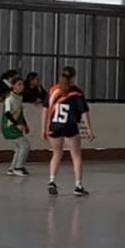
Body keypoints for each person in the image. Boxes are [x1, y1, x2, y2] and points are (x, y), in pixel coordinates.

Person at [46, 66, 95, 196]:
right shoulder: (76, 93)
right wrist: (89, 129)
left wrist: (44, 128)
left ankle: (51, 180)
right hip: (70, 126)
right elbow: (84, 112)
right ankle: (78, 185)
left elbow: (46, 109)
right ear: (73, 77)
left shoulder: (53, 90)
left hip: (55, 125)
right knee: (76, 155)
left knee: (56, 154)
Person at [0, 69, 31, 177]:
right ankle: (18, 167)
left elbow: (20, 113)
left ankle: (12, 168)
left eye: (22, 84)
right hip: (9, 126)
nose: (22, 87)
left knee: (18, 148)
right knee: (25, 145)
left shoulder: (19, 98)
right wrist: (17, 124)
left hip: (15, 125)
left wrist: (25, 124)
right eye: (19, 84)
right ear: (13, 86)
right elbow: (7, 113)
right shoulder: (10, 99)